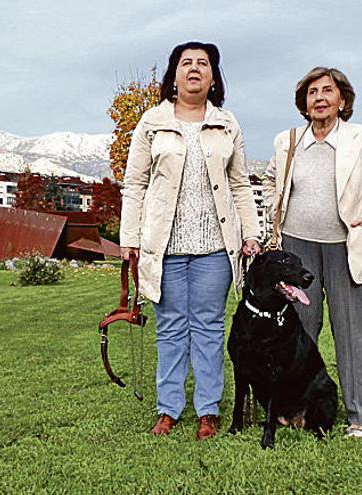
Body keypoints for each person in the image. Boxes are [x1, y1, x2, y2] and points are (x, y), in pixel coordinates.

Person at [119, 41, 261, 441]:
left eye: (203, 63)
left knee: (209, 327)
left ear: (213, 77)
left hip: (214, 249)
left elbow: (239, 185)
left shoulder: (227, 123)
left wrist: (250, 234)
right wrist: (130, 237)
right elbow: (134, 183)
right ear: (174, 75)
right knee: (169, 328)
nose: (195, 69)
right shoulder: (151, 122)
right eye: (187, 63)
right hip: (164, 248)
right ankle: (168, 409)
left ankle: (208, 410)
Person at [263, 67, 362, 438]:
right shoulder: (287, 141)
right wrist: (271, 228)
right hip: (297, 248)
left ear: (342, 99)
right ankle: (293, 408)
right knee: (297, 335)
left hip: (346, 248)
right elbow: (269, 186)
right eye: (312, 92)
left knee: (349, 332)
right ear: (304, 102)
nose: (320, 98)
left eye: (328, 91)